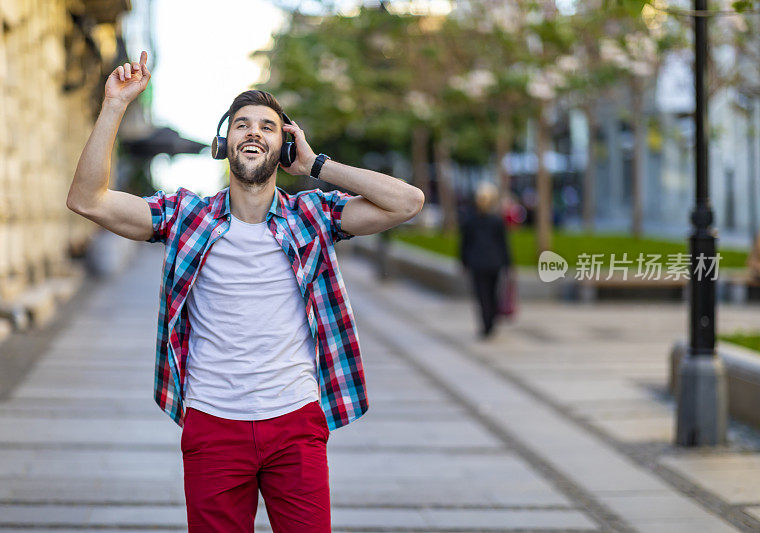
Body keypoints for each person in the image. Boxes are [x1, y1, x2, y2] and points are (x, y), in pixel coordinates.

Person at [65, 51, 425, 532]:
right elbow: (86, 199)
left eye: (268, 126)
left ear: (284, 145)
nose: (253, 131)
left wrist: (317, 163)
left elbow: (408, 202)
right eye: (241, 124)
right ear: (224, 142)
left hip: (295, 424)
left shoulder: (311, 216)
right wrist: (113, 105)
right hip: (213, 424)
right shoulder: (185, 217)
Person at [459, 182, 512, 339]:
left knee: (482, 294)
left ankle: (487, 322)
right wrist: (508, 263)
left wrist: (464, 261)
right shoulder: (495, 221)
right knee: (491, 292)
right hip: (493, 262)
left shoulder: (471, 220)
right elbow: (503, 244)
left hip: (479, 263)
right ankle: (490, 321)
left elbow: (465, 244)